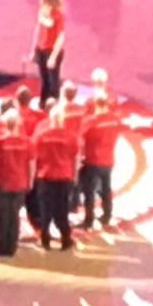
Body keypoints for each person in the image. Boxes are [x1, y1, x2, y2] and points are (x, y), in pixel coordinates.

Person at [0, 112, 35, 257]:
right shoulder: (27, 143)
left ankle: (2, 247)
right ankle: (12, 247)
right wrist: (30, 181)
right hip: (20, 183)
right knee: (14, 216)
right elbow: (31, 165)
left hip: (3, 182)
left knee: (3, 215)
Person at [33, 106, 78, 251]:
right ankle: (66, 240)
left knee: (45, 211)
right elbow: (75, 157)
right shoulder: (70, 136)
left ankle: (45, 241)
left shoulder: (42, 135)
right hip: (64, 177)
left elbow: (34, 156)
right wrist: (74, 176)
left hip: (46, 177)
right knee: (62, 210)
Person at [79, 97, 119, 229]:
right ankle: (107, 215)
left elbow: (80, 137)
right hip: (108, 160)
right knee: (106, 189)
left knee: (89, 192)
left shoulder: (91, 121)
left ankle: (88, 219)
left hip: (93, 160)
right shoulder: (114, 120)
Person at [31, 0, 66, 104]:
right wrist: (33, 50)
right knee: (44, 78)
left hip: (52, 51)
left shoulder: (58, 15)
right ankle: (43, 102)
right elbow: (38, 30)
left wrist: (53, 56)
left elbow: (59, 36)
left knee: (53, 81)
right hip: (41, 49)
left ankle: (54, 103)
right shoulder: (42, 12)